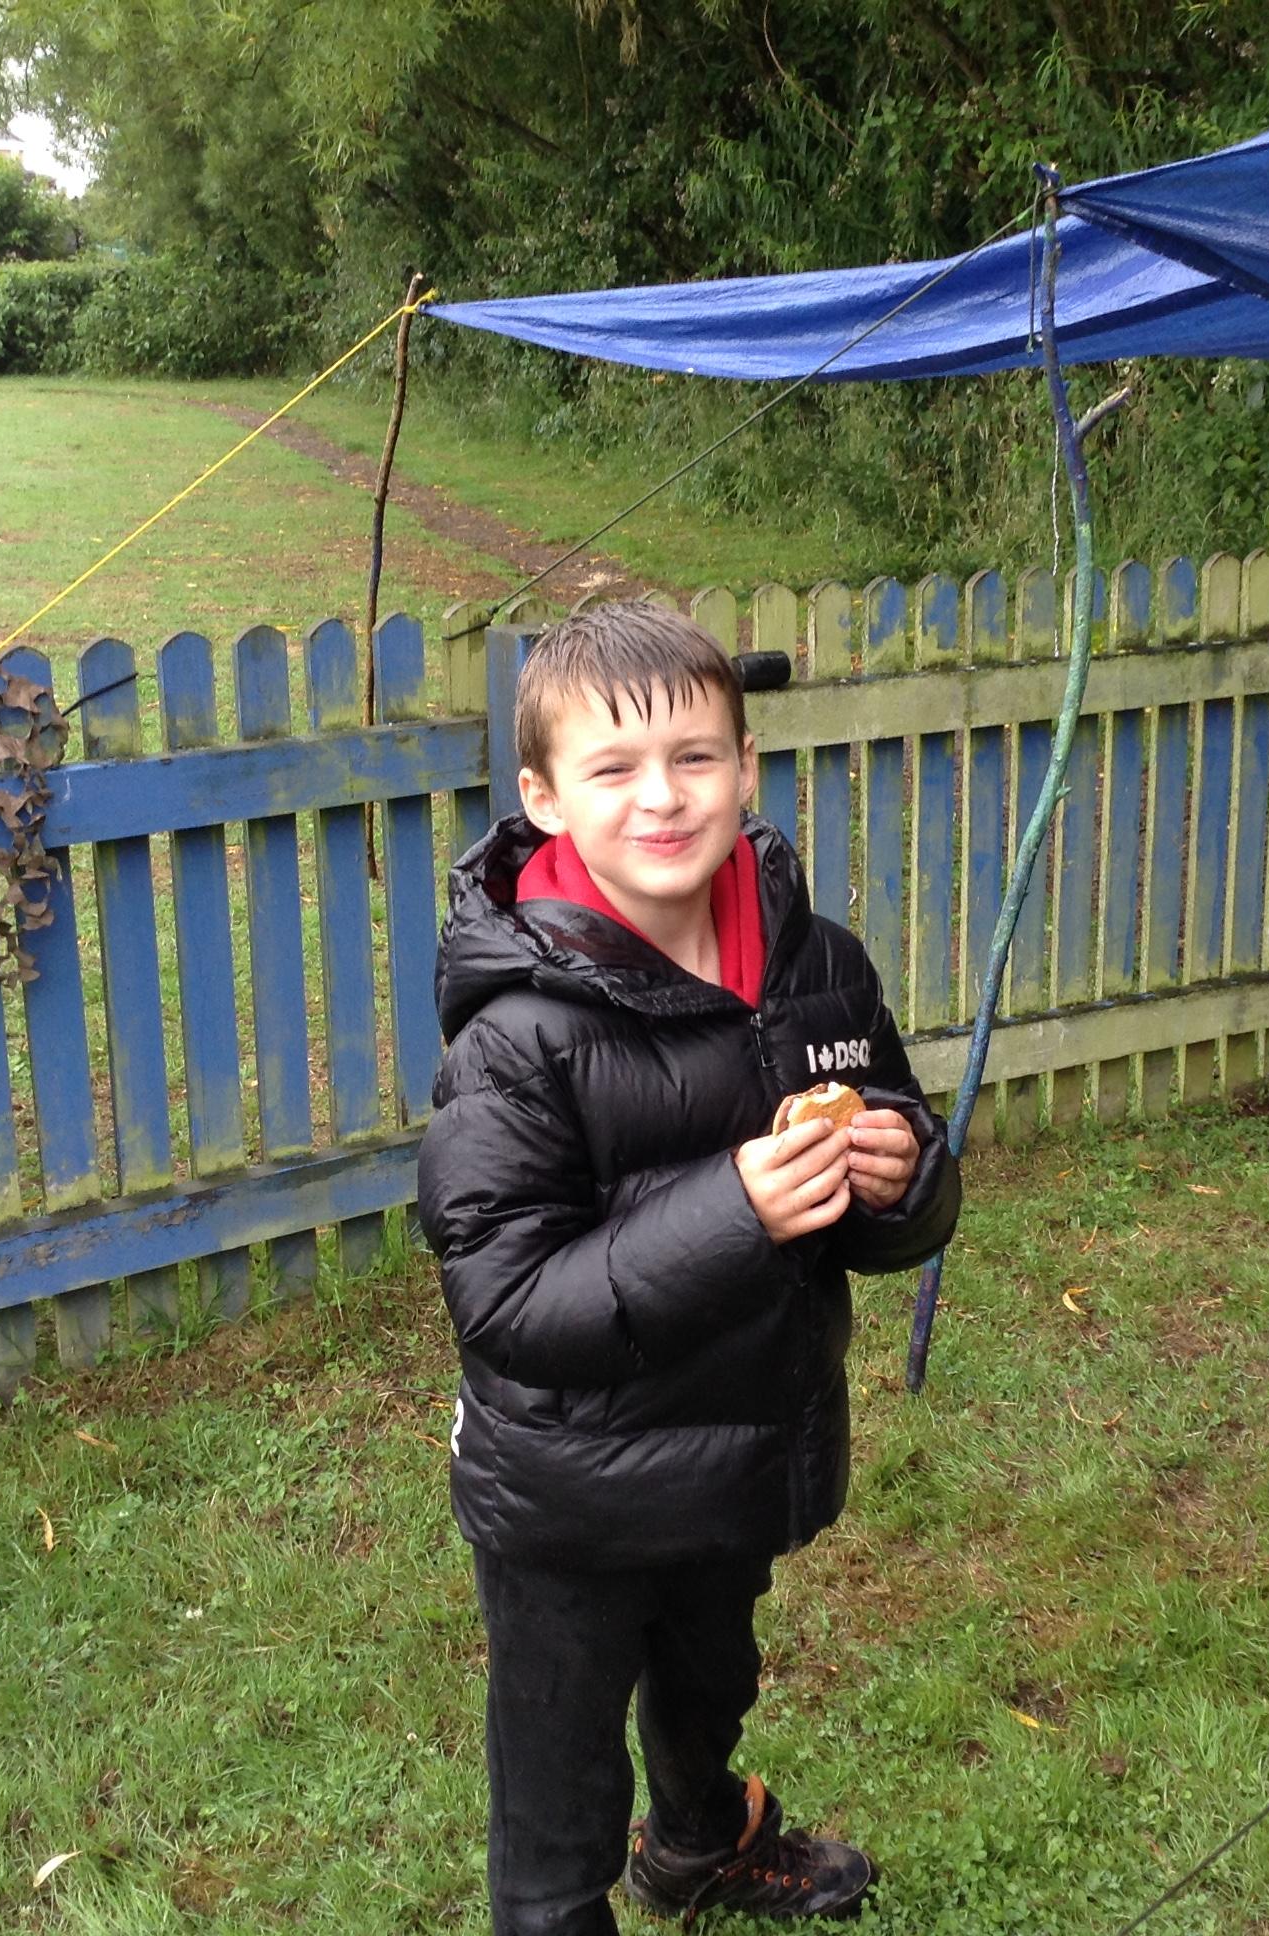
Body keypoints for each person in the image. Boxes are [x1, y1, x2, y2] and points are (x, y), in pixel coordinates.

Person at [417, 602, 963, 1932]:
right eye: (613, 768)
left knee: (712, 1681)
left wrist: (901, 1174)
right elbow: (507, 1303)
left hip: (740, 1447)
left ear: (746, 766)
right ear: (545, 799)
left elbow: (897, 1181)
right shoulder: (517, 1038)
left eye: (695, 757)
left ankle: (703, 1842)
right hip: (569, 1499)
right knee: (557, 1802)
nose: (661, 797)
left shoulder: (819, 968)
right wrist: (735, 1212)